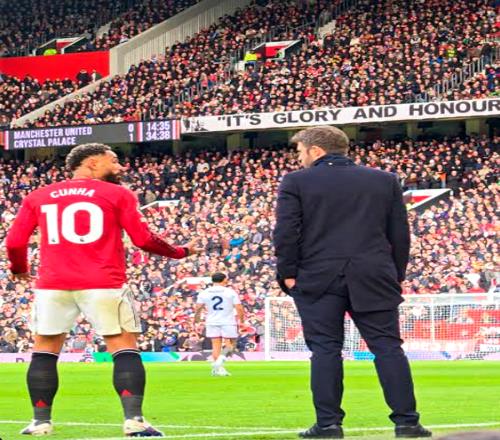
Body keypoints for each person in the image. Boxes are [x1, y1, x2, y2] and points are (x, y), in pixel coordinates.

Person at [6, 143, 202, 437]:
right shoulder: (117, 194)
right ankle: (134, 422)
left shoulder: (39, 196)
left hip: (53, 285)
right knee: (123, 348)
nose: (120, 167)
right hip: (104, 282)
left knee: (44, 351)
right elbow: (142, 239)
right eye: (114, 161)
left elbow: (14, 242)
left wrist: (19, 268)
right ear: (93, 163)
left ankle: (40, 423)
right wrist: (180, 252)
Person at [273, 126, 431, 439]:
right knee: (387, 347)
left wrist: (287, 272)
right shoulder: (384, 180)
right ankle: (407, 423)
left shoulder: (296, 181)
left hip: (317, 277)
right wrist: (395, 273)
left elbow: (286, 230)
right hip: (374, 274)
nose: (299, 158)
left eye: (300, 151)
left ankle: (328, 425)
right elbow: (399, 233)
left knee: (325, 350)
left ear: (316, 150)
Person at [194, 272, 244, 376]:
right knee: (231, 345)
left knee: (216, 345)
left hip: (212, 321)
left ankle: (218, 369)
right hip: (228, 321)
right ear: (224, 280)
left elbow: (198, 307)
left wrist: (197, 320)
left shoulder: (204, 292)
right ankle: (219, 363)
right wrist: (242, 321)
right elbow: (239, 307)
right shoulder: (230, 292)